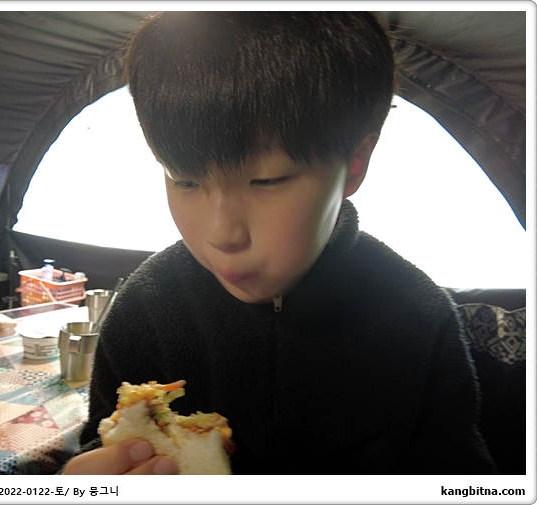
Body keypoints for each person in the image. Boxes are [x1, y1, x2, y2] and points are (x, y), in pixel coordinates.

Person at [62, 11, 497, 475]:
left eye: (267, 181)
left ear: (354, 163)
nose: (220, 234)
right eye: (184, 180)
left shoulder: (419, 319)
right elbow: (103, 441)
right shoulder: (145, 312)